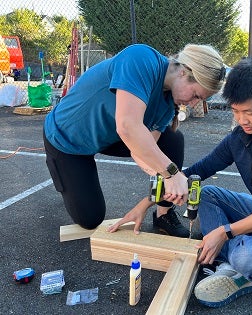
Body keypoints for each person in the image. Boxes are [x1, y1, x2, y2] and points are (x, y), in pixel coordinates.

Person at [109, 57, 252, 308]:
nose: (242, 120)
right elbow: (197, 172)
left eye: (249, 112)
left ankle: (239, 267)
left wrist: (224, 231)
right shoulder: (240, 137)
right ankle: (233, 255)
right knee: (205, 194)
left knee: (246, 257)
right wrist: (148, 202)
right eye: (236, 111)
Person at [43, 43, 225, 237]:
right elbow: (127, 126)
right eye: (196, 95)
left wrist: (162, 186)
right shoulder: (140, 59)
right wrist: (172, 174)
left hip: (110, 136)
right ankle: (63, 173)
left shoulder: (168, 104)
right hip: (67, 140)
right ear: (183, 72)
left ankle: (163, 213)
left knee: (172, 139)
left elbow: (142, 151)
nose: (194, 103)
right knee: (90, 220)